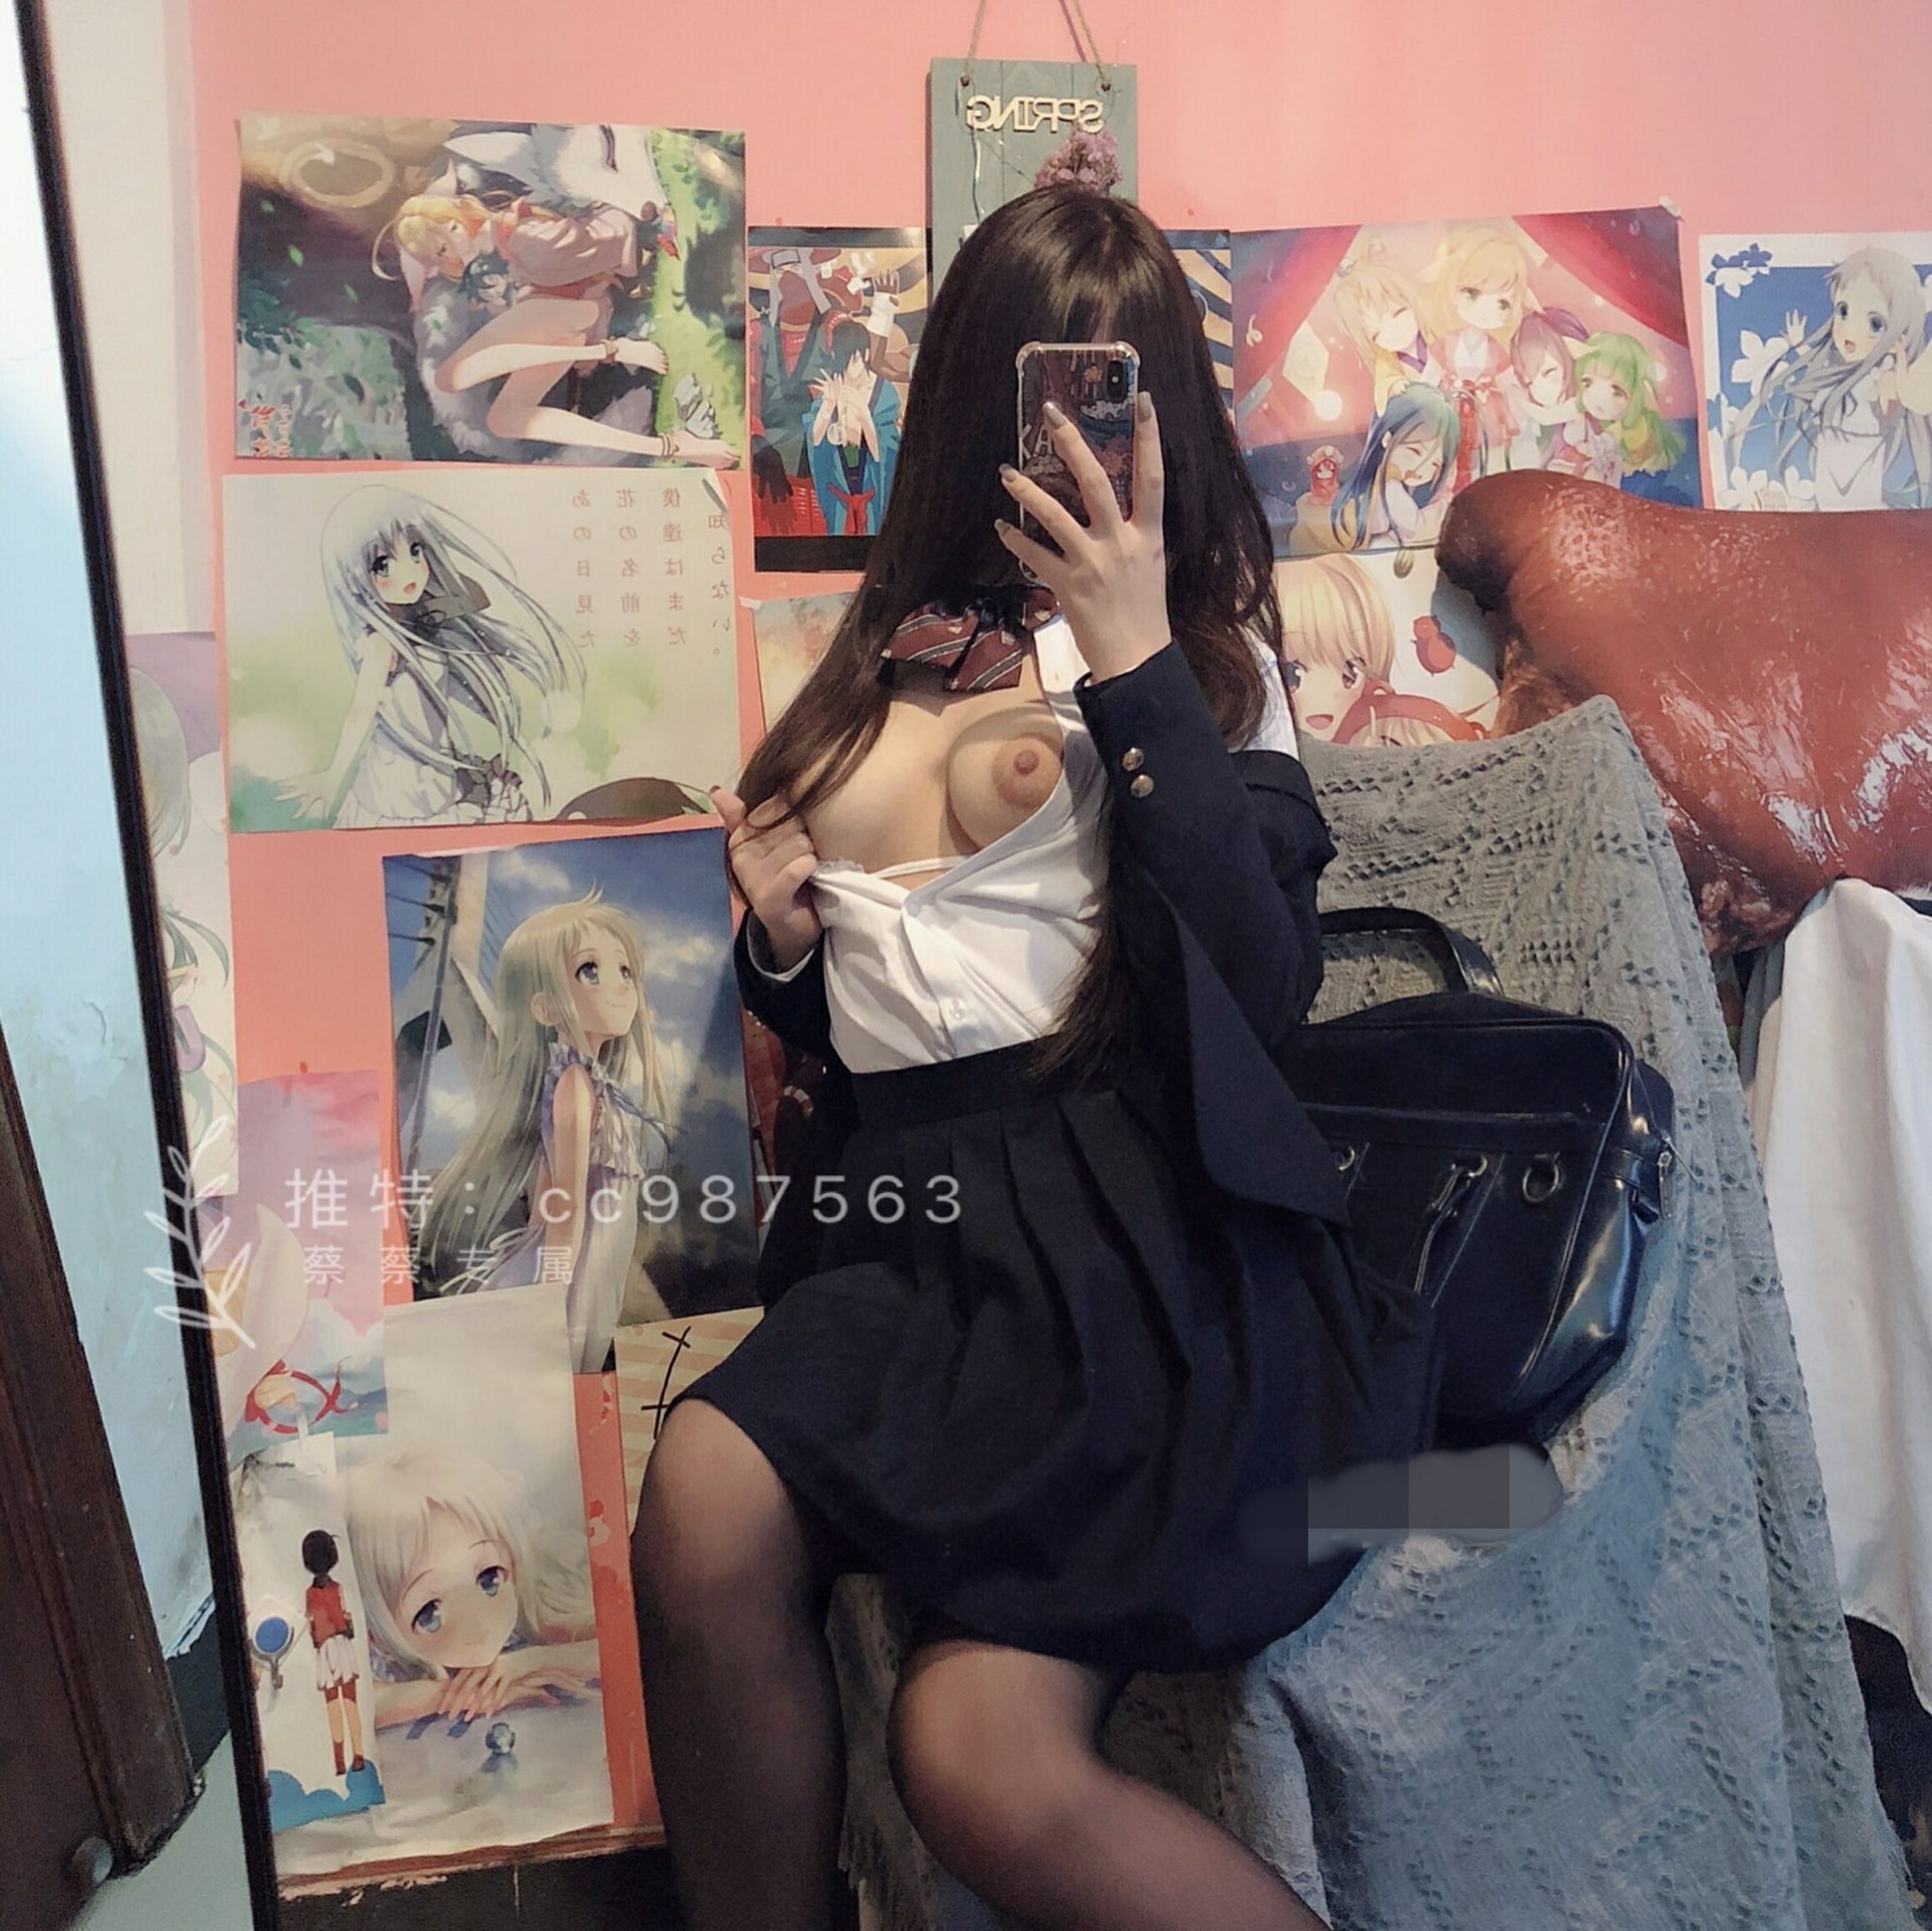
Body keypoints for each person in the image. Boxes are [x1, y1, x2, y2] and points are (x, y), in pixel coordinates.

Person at [630, 186, 1446, 1931]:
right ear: (970, 399)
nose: (1074, 433)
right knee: (699, 1486)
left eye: (1113, 393)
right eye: (1038, 386)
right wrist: (782, 949)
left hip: (1128, 1241)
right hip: (911, 1243)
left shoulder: (1207, 663)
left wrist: (1135, 656)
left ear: (1164, 416)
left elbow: (1262, 986)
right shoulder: (876, 653)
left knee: (970, 1750)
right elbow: (881, 1015)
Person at [414, 894, 672, 1376]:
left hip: (595, 1259)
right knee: (564, 1364)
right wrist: (553, 1291)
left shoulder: (588, 1082)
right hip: (581, 1266)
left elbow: (548, 1182)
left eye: (625, 971)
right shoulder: (575, 1085)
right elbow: (566, 1202)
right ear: (545, 1007)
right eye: (590, 970)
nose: (620, 987)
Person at [300, 1529, 366, 1775]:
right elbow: (344, 1621)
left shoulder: (309, 1594)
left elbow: (311, 1626)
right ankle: (358, 1755)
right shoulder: (337, 1589)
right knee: (350, 1703)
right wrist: (347, 1627)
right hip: (342, 1647)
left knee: (333, 1707)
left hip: (324, 1651)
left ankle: (339, 1760)